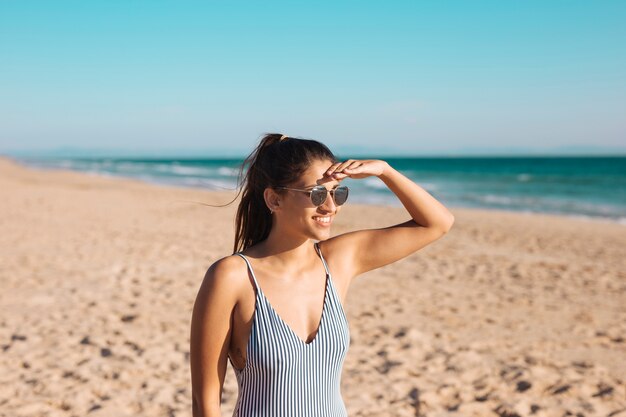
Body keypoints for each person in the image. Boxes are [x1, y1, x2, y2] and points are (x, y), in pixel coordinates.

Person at [190, 133, 455, 417]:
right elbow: (205, 404)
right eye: (316, 194)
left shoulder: (339, 260)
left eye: (337, 193)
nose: (330, 206)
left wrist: (385, 171)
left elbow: (438, 223)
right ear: (274, 199)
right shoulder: (232, 276)